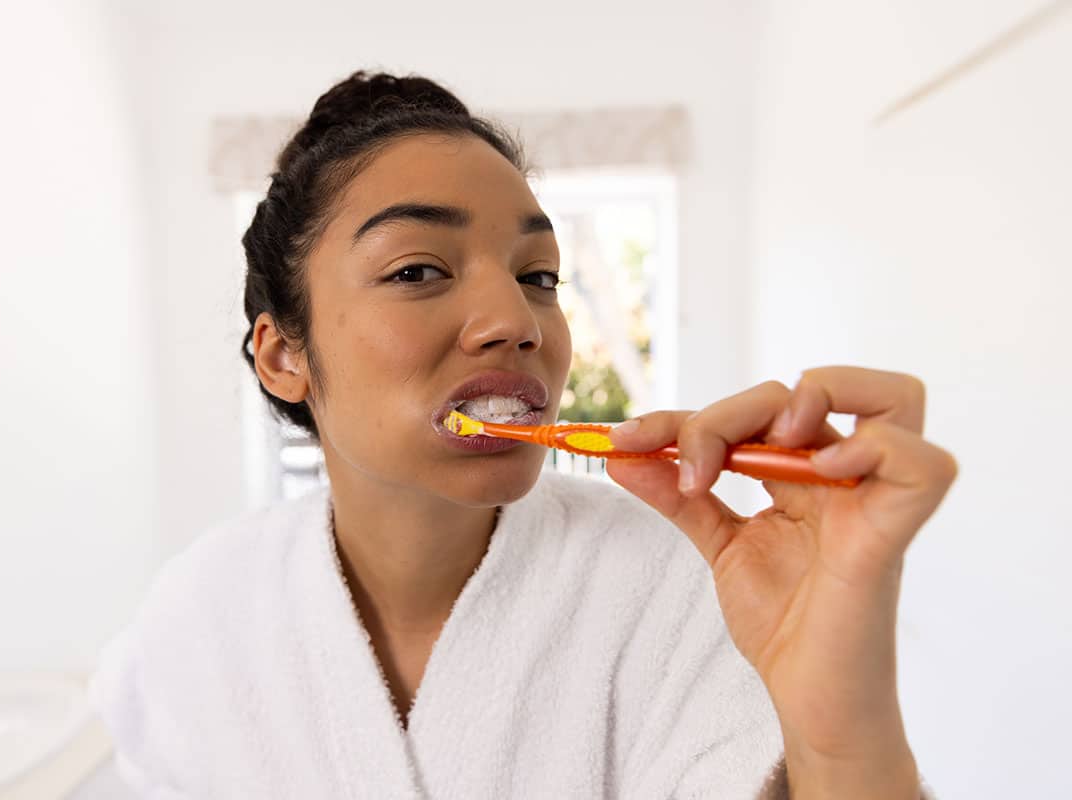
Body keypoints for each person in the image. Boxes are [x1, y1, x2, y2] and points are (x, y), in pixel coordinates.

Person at [89, 71, 954, 799]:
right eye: (418, 269)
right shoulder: (197, 615)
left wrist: (842, 733)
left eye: (538, 275)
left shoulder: (679, 588)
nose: (517, 320)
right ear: (283, 355)